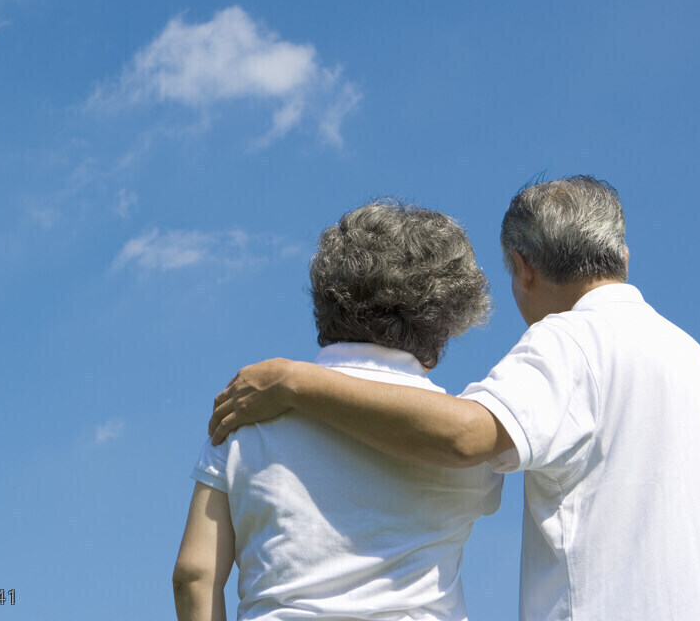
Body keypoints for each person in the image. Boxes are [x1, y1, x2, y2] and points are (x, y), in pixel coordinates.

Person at [210, 176, 700, 621]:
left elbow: (465, 435)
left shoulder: (570, 340)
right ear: (623, 259)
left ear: (524, 271)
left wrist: (294, 382)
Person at [173, 201, 504, 621]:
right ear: (445, 320)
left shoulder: (245, 414)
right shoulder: (469, 439)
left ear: (327, 299)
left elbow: (193, 576)